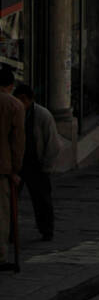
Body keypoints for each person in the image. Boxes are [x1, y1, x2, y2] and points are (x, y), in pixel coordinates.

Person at [13, 83, 61, 241]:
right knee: (11, 199)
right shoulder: (14, 111)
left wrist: (47, 165)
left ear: (29, 99)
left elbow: (52, 142)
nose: (21, 103)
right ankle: (9, 231)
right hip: (17, 163)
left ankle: (47, 230)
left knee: (42, 200)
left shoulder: (42, 114)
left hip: (36, 163)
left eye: (23, 99)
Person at [0, 66, 25, 267]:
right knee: (2, 214)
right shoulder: (14, 105)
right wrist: (16, 170)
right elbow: (17, 142)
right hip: (2, 167)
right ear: (10, 86)